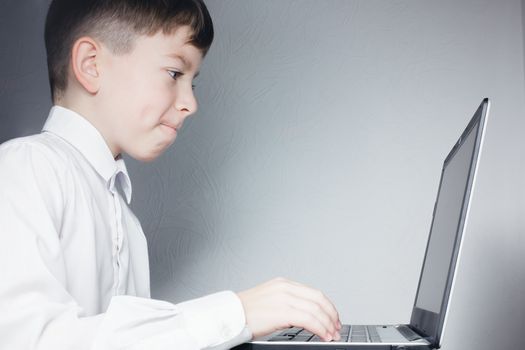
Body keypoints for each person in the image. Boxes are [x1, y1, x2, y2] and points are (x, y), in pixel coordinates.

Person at [0, 0, 341, 349]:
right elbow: (26, 340)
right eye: (175, 74)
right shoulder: (25, 167)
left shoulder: (127, 224)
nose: (190, 104)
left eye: (193, 82)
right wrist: (236, 313)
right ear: (91, 65)